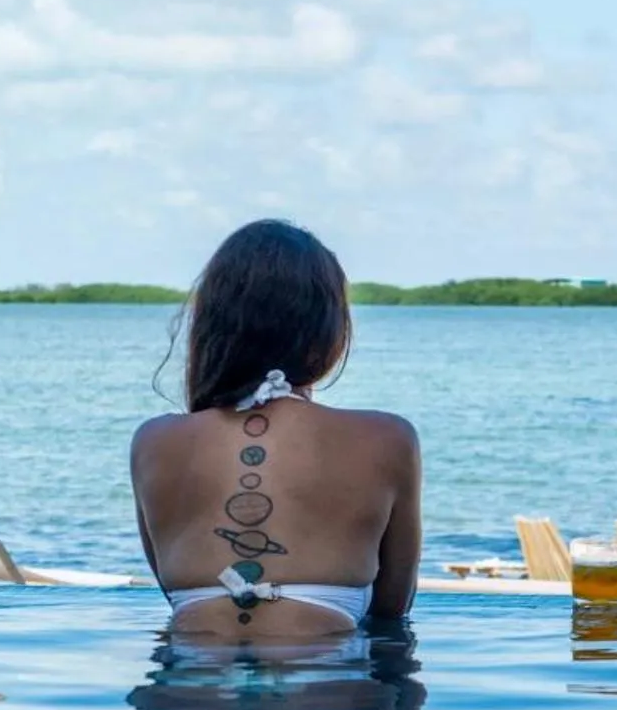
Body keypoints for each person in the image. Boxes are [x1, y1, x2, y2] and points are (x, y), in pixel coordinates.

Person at [130, 220, 421, 639]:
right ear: (330, 330)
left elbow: (171, 591)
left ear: (211, 326)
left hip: (189, 674)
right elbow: (392, 610)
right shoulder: (387, 438)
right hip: (328, 673)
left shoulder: (154, 441)